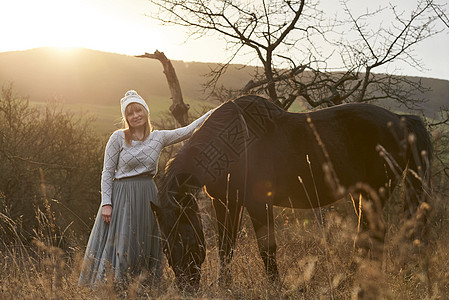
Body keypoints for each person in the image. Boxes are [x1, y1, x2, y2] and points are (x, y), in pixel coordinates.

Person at [78, 90, 213, 286]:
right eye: (130, 113)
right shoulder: (117, 138)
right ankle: (117, 285)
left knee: (146, 238)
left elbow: (189, 130)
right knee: (124, 241)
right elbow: (107, 172)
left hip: (148, 194)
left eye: (138, 110)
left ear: (145, 111)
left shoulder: (158, 137)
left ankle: (144, 284)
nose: (135, 116)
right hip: (122, 194)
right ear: (126, 117)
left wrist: (214, 112)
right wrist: (106, 203)